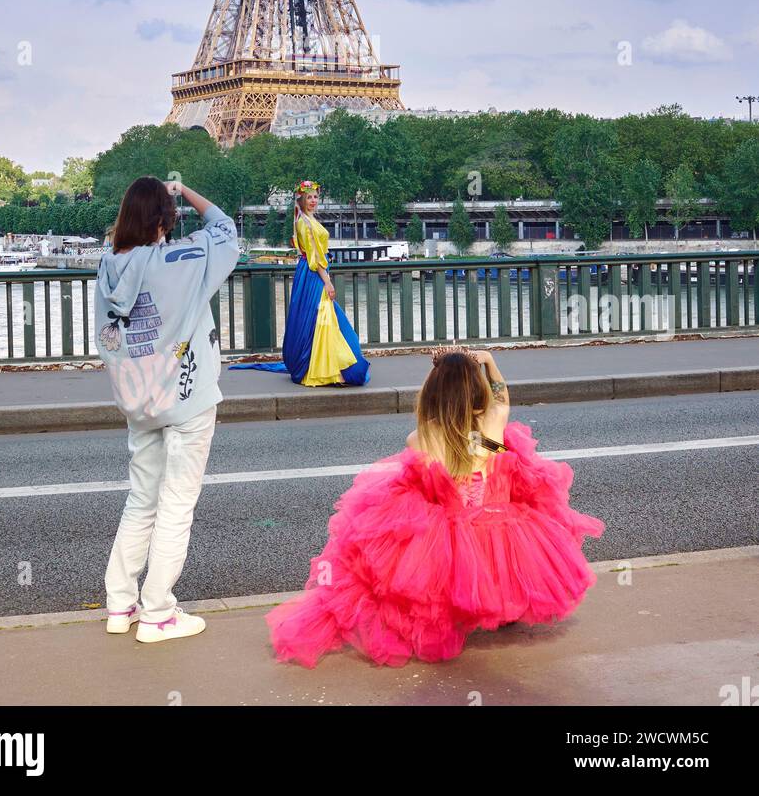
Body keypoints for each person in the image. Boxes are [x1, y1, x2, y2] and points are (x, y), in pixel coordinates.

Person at [266, 344, 605, 667]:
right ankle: (496, 612)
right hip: (498, 522)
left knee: (439, 572)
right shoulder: (493, 423)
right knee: (497, 565)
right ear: (476, 392)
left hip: (452, 524)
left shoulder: (420, 438)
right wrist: (487, 362)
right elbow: (501, 395)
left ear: (433, 394)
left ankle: (456, 618)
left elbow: (426, 483)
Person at [95, 176, 239, 644]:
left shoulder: (107, 265)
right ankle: (159, 614)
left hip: (139, 402)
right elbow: (223, 227)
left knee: (141, 502)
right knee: (177, 506)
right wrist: (187, 190)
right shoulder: (181, 259)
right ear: (164, 220)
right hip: (187, 397)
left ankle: (121, 604)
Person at [229, 178, 369, 386]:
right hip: (314, 274)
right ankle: (329, 371)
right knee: (323, 320)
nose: (313, 200)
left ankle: (326, 368)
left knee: (318, 321)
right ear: (301, 200)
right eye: (309, 197)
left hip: (309, 273)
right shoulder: (304, 222)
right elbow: (314, 257)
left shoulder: (305, 220)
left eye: (315, 197)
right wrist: (327, 282)